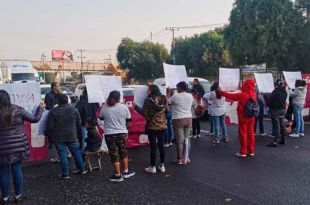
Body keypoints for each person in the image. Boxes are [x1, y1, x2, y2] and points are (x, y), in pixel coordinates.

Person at [0, 90, 45, 203]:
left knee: (3, 171)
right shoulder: (17, 109)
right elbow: (34, 119)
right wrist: (40, 108)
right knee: (17, 169)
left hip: (2, 148)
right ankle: (18, 195)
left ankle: (4, 198)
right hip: (18, 145)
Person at [45, 94, 87, 180]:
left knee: (62, 155)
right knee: (76, 152)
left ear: (58, 101)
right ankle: (82, 169)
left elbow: (51, 126)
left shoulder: (53, 111)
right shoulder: (74, 110)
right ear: (67, 100)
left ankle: (65, 173)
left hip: (59, 136)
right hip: (72, 135)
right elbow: (78, 125)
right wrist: (80, 137)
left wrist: (47, 133)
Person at [99, 91, 135, 182]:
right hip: (122, 133)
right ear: (119, 98)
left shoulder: (104, 107)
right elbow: (129, 122)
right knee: (123, 152)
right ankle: (126, 172)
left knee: (113, 154)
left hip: (109, 134)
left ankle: (118, 175)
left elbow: (101, 118)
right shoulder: (124, 107)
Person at [134, 85, 169, 174]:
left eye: (148, 90)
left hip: (152, 126)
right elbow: (167, 110)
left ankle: (152, 167)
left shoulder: (148, 100)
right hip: (162, 125)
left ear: (152, 91)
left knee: (153, 146)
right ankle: (162, 166)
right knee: (161, 145)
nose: (147, 92)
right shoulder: (163, 98)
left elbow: (144, 114)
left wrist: (136, 107)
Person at [219, 79, 257, 158]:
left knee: (243, 133)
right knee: (251, 133)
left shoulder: (242, 94)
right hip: (252, 116)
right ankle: (251, 151)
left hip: (243, 116)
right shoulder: (254, 94)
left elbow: (231, 96)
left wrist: (221, 92)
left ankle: (243, 152)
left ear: (246, 85)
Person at [167, 82, 193, 165]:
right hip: (189, 118)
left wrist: (168, 93)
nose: (176, 89)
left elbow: (168, 102)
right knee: (187, 139)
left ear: (180, 88)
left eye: (177, 87)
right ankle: (186, 157)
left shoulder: (176, 96)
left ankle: (179, 159)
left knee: (180, 141)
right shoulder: (190, 95)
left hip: (178, 119)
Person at [267, 79, 288, 147]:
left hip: (276, 110)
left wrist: (265, 96)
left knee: (276, 125)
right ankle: (283, 139)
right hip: (283, 109)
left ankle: (275, 141)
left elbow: (271, 100)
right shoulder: (285, 91)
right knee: (282, 125)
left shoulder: (275, 91)